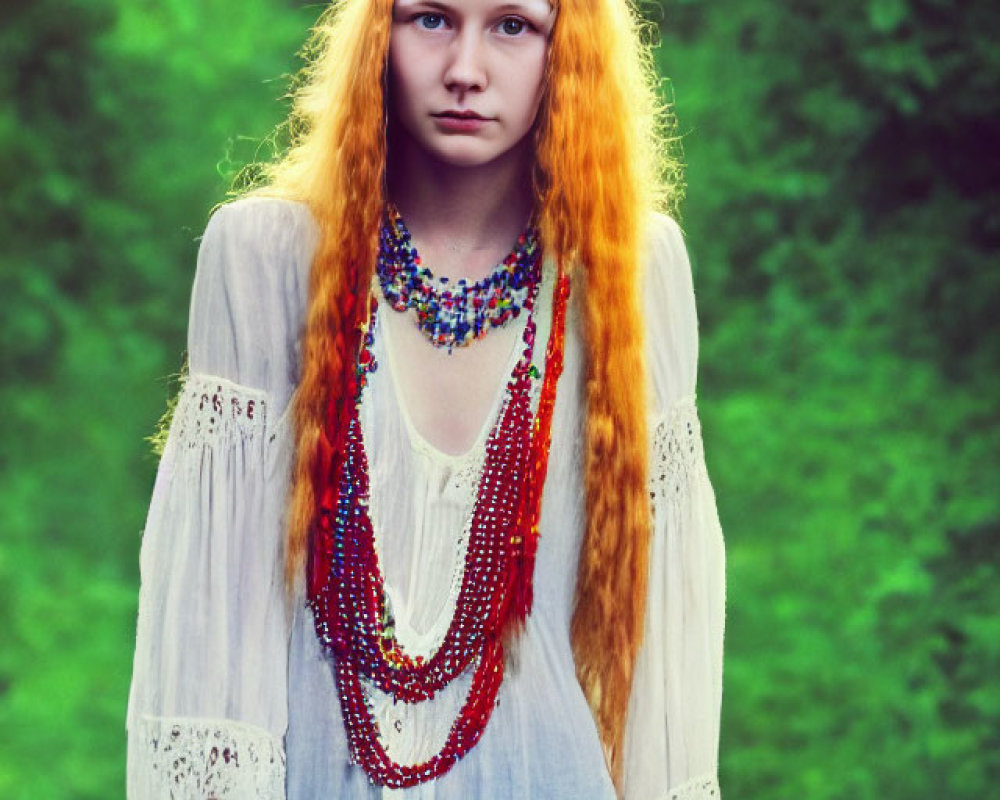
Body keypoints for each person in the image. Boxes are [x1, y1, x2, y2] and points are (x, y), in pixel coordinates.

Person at [126, 0, 726, 796]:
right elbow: (210, 637)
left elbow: (665, 666)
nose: (466, 71)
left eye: (513, 25)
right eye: (431, 19)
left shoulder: (634, 274)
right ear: (378, 32)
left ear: (569, 46)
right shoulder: (263, 259)